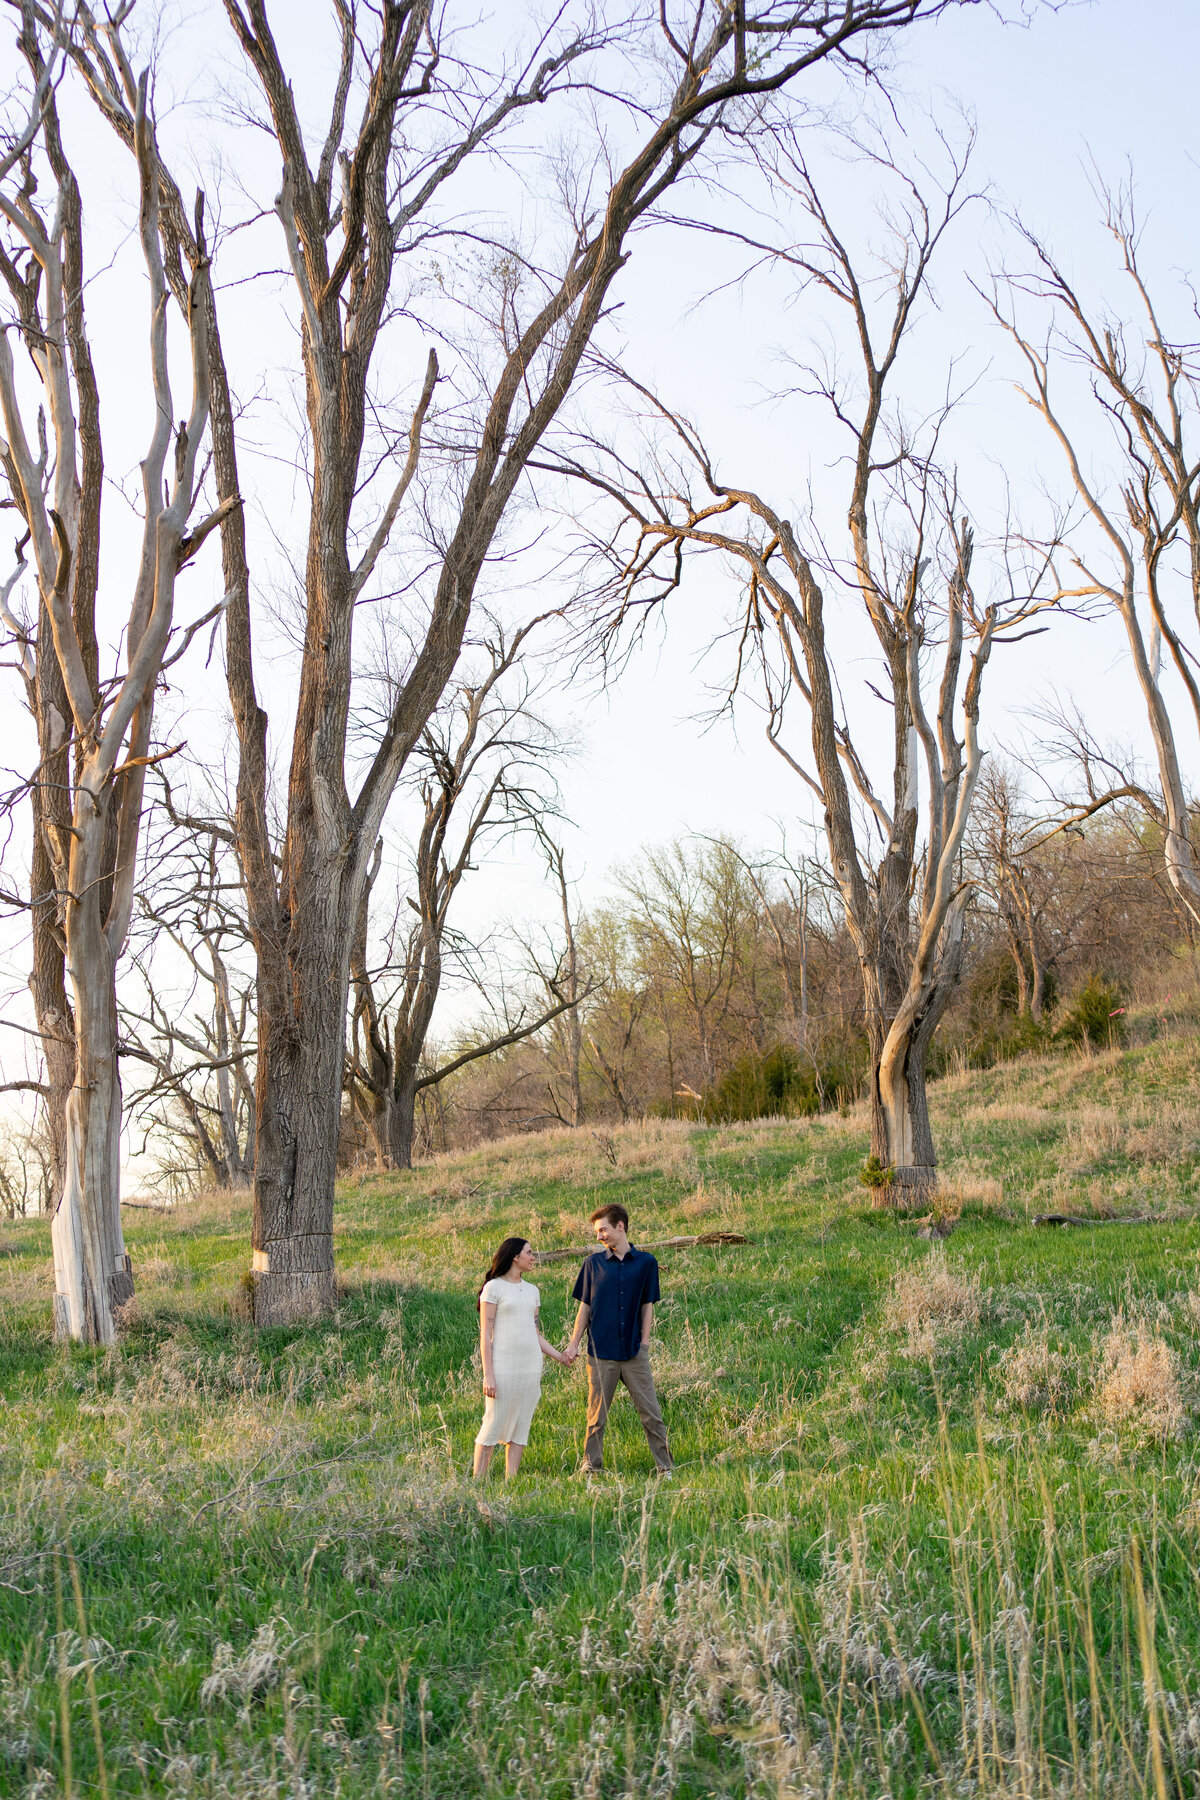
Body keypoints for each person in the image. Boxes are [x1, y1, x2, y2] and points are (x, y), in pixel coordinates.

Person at [564, 1203, 673, 1476]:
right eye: (597, 1232)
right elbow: (584, 1307)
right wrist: (574, 1343)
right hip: (600, 1353)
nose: (599, 1237)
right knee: (596, 1417)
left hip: (635, 1352)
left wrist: (645, 1344)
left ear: (620, 1226)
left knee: (651, 1414)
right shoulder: (592, 1264)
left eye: (603, 1230)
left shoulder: (647, 1263)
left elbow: (648, 1305)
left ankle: (665, 1467)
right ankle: (591, 1467)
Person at [474, 1237, 569, 1479]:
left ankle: (511, 1481)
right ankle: (477, 1481)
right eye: (529, 1252)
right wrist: (488, 1376)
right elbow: (486, 1335)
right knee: (493, 1424)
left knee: (521, 1425)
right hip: (503, 1366)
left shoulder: (532, 1291)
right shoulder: (493, 1288)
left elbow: (534, 1333)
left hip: (530, 1367)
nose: (533, 1257)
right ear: (515, 1256)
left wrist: (560, 1356)